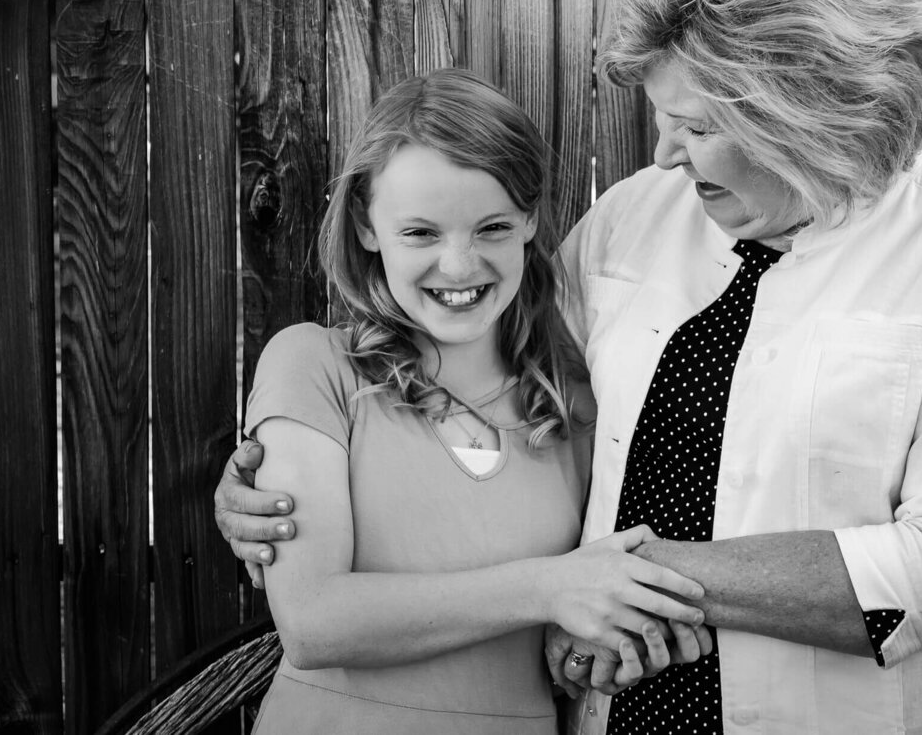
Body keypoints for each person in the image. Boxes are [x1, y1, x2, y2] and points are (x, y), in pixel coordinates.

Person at [216, 0, 922, 735]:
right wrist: (281, 477)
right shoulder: (630, 219)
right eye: (661, 118)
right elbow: (489, 399)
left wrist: (638, 580)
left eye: (693, 127)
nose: (663, 153)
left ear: (803, 117)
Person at [235, 68, 711, 734]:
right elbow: (313, 623)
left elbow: (571, 633)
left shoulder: (577, 401)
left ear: (529, 220)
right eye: (421, 234)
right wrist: (551, 586)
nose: (459, 267)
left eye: (489, 228)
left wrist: (591, 645)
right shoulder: (315, 364)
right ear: (368, 228)